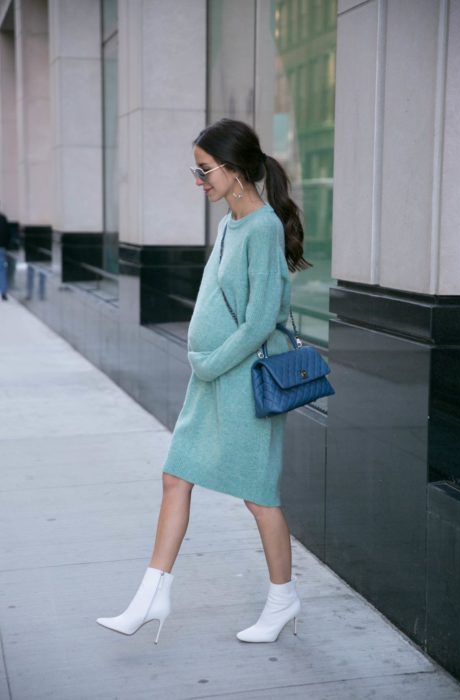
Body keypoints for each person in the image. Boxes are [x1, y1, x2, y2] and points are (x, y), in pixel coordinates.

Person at [96, 118, 309, 644]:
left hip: (243, 378)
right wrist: (206, 361)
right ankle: (151, 596)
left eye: (205, 169)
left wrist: (209, 361)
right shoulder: (227, 225)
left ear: (235, 171)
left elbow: (260, 320)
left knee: (258, 495)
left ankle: (283, 601)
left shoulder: (262, 228)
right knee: (176, 475)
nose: (198, 180)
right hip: (212, 376)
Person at [0, 209, 9, 301]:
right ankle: (3, 292)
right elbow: (7, 233)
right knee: (2, 270)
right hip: (1, 247)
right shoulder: (3, 218)